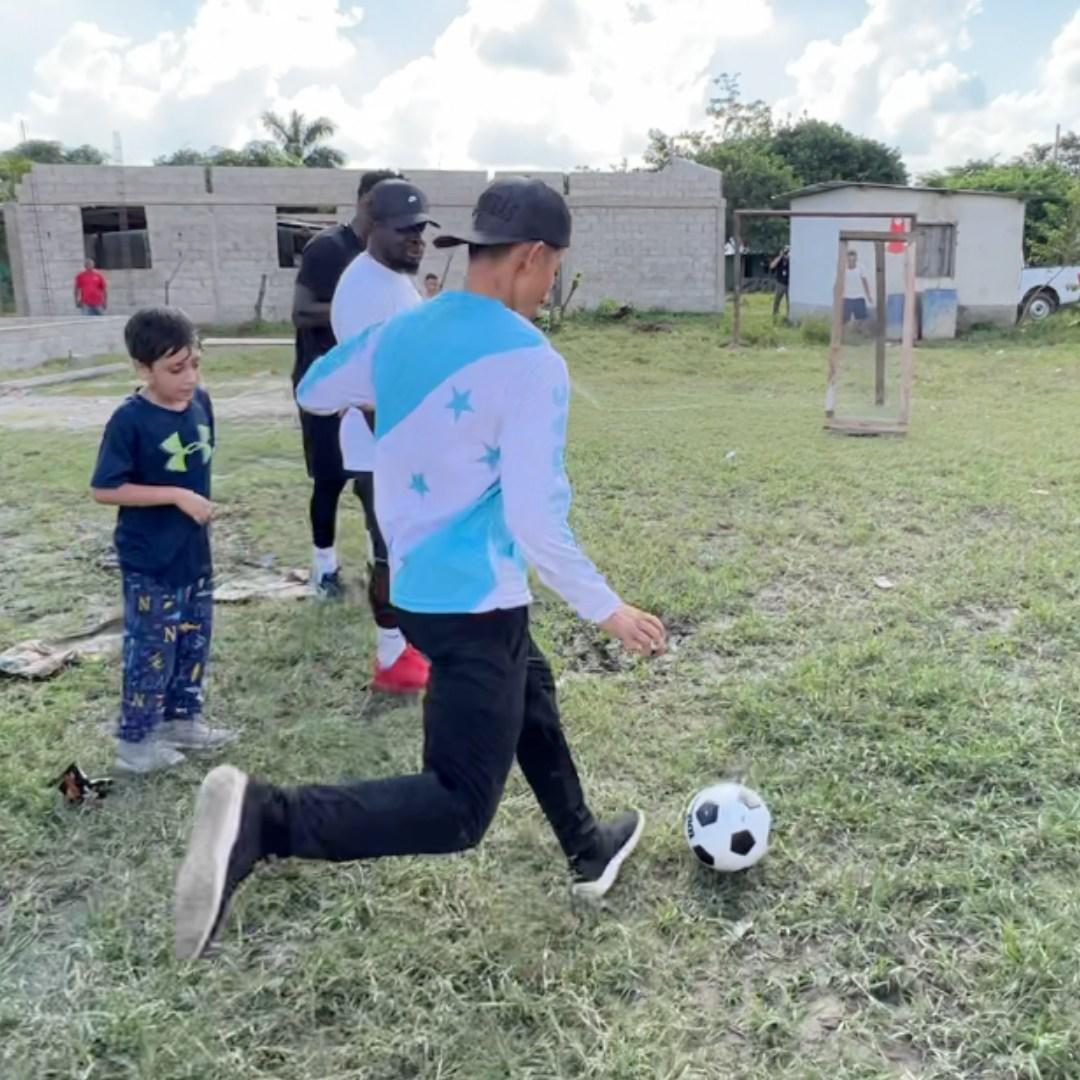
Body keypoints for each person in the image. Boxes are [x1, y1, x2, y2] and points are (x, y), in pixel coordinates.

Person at [173, 178, 668, 961]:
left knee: (527, 687)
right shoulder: (533, 363)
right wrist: (609, 609)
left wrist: (395, 399)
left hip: (417, 594)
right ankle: (266, 819)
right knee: (458, 807)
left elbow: (315, 388)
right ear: (532, 258)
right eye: (554, 272)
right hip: (477, 603)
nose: (549, 291)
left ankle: (586, 844)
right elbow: (536, 519)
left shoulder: (404, 329)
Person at [90, 308, 235, 773]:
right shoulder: (129, 421)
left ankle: (181, 720)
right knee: (152, 650)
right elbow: (104, 488)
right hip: (150, 559)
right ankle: (135, 745)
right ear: (142, 368)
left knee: (193, 640)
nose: (190, 377)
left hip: (194, 552)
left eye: (195, 363)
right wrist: (175, 495)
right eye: (176, 369)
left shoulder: (201, 403)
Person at [327, 179, 438, 693]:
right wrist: (404, 452)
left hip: (403, 442)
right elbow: (369, 389)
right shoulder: (364, 290)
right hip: (381, 447)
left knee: (405, 549)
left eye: (421, 229)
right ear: (372, 228)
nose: (416, 240)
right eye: (404, 231)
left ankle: (406, 643)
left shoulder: (393, 278)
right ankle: (391, 656)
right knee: (388, 551)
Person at [291, 169, 402, 602]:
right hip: (326, 383)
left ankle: (384, 571)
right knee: (329, 479)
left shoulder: (390, 256)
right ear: (362, 204)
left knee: (376, 481)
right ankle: (324, 569)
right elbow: (301, 312)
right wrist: (355, 312)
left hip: (374, 390)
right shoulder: (327, 249)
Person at [842, 249, 873, 323]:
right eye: (850, 260)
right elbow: (840, 282)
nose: (851, 262)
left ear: (856, 259)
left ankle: (860, 332)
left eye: (853, 260)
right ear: (847, 259)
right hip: (846, 297)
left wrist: (868, 295)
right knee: (844, 319)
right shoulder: (843, 268)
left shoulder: (861, 267)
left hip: (859, 297)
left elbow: (865, 282)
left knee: (862, 319)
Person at [769, 246, 790, 323]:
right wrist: (780, 256)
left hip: (789, 284)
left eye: (787, 252)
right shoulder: (779, 260)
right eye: (785, 252)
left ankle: (789, 317)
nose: (786, 254)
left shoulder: (790, 261)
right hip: (780, 283)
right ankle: (775, 316)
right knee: (777, 301)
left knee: (789, 302)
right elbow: (772, 266)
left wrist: (789, 257)